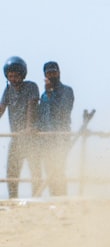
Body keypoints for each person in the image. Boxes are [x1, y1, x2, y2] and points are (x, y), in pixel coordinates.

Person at [0, 56, 41, 199]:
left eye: (16, 76)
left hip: (30, 138)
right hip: (16, 138)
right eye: (10, 76)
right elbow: (1, 109)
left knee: (35, 170)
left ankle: (36, 199)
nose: (13, 79)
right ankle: (13, 199)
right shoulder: (8, 90)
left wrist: (29, 127)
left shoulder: (31, 87)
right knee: (12, 172)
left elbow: (32, 106)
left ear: (22, 75)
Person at [37, 60, 75, 196]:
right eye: (49, 73)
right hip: (46, 140)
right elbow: (41, 116)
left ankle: (62, 197)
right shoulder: (43, 95)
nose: (52, 75)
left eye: (54, 72)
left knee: (59, 169)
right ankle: (54, 197)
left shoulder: (67, 91)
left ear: (59, 73)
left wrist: (51, 93)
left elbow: (62, 111)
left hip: (61, 138)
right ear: (45, 75)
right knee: (49, 171)